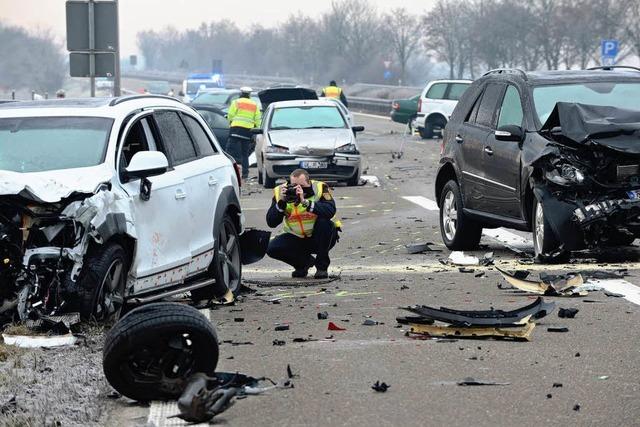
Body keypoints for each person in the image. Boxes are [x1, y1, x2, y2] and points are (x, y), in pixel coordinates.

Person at [266, 169, 340, 279]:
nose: (298, 189)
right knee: (271, 247)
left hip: (320, 237)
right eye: (294, 186)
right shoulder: (281, 191)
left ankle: (321, 267)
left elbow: (330, 210)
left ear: (308, 182)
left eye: (302, 186)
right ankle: (303, 264)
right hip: (297, 238)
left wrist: (305, 202)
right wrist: (280, 204)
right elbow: (271, 222)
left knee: (325, 223)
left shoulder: (319, 188)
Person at [226, 87, 262, 179]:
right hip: (247, 131)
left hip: (235, 129)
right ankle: (245, 174)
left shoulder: (236, 102)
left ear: (241, 93)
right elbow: (258, 119)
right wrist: (256, 130)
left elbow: (230, 115)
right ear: (249, 95)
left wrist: (230, 122)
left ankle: (227, 170)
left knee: (229, 152)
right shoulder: (255, 104)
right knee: (244, 154)